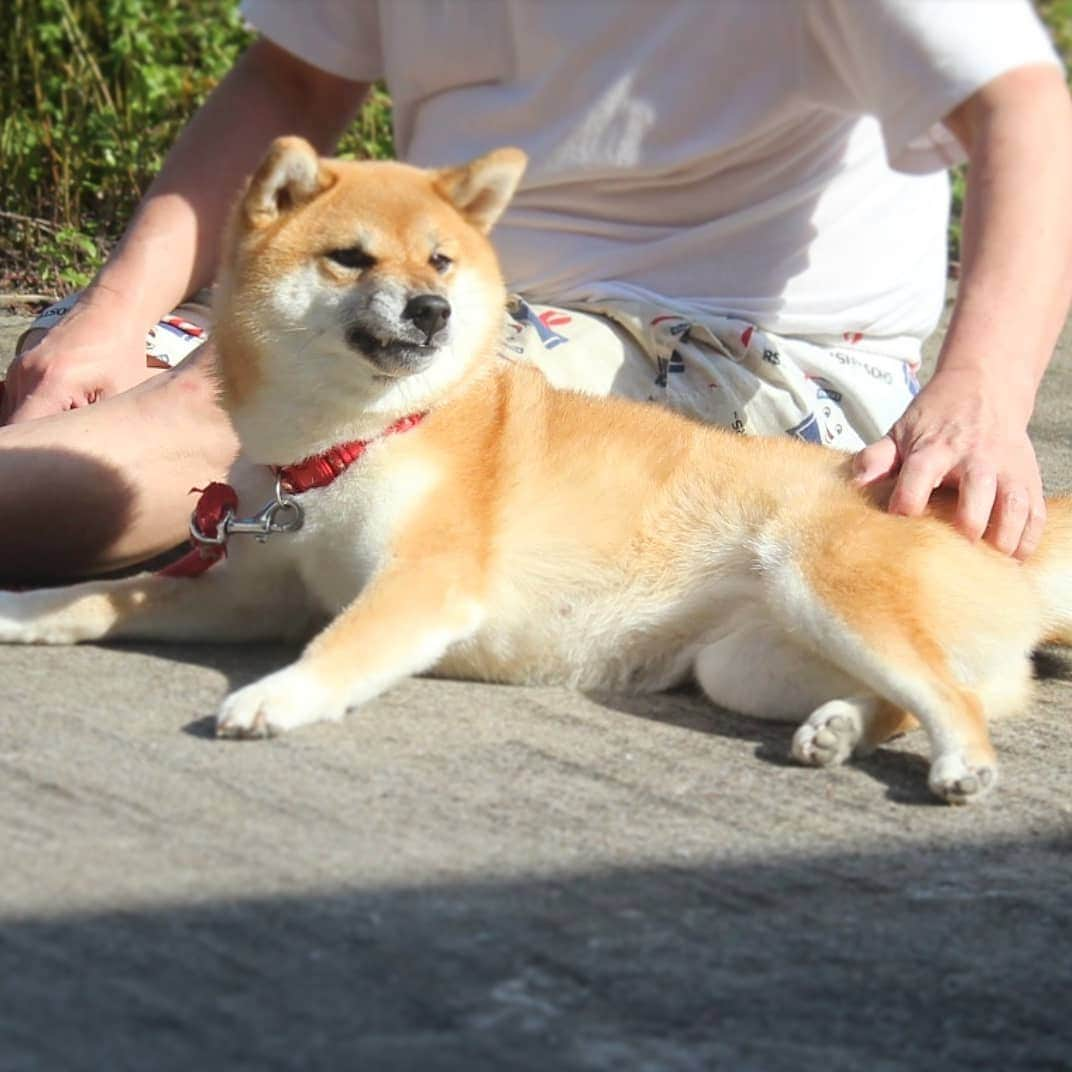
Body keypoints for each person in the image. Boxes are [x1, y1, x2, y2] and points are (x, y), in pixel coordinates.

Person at [3, 0, 1070, 583]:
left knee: (240, 401)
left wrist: (981, 387)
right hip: (464, 305)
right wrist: (112, 314)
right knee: (90, 368)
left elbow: (1025, 107)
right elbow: (295, 78)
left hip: (737, 356)